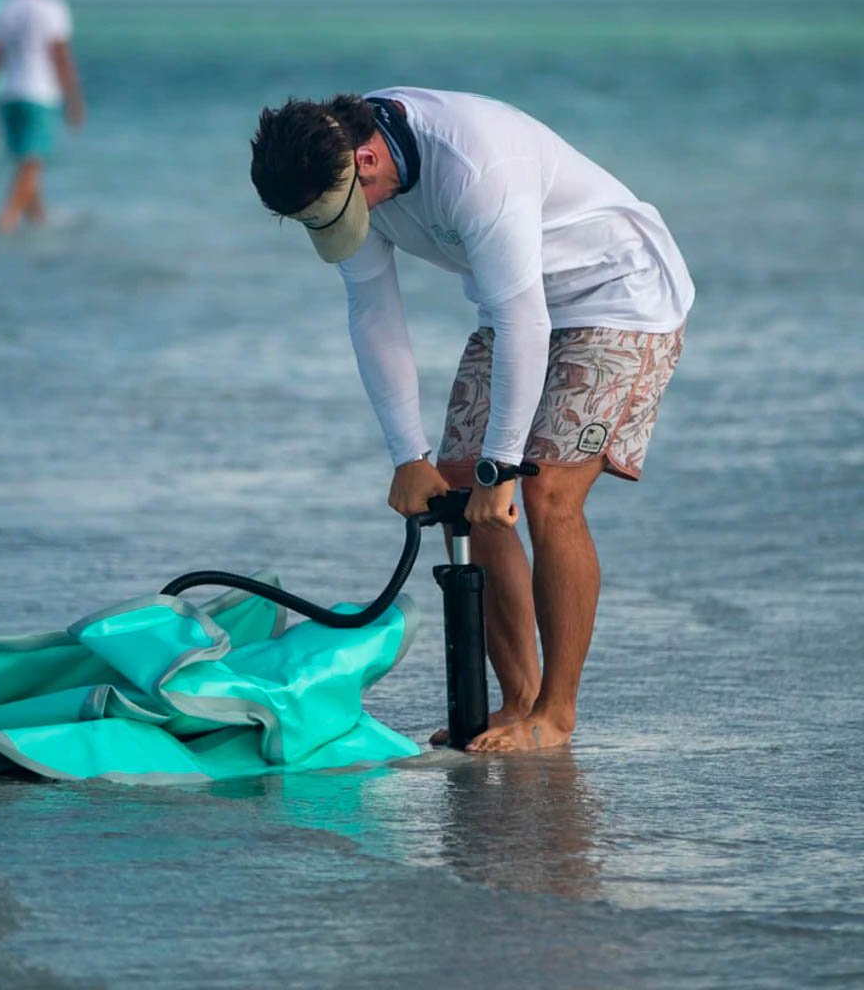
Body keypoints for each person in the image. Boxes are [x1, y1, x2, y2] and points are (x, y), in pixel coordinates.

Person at [249, 88, 694, 752]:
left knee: (541, 491)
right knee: (459, 488)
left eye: (337, 213)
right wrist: (408, 454)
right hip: (516, 304)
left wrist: (503, 466)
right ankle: (516, 705)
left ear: (365, 161)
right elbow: (373, 312)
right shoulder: (334, 170)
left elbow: (526, 322)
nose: (341, 228)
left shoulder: (477, 167)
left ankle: (556, 714)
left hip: (618, 295)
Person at [0, 0, 84, 231]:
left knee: (25, 161)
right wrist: (74, 96)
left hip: (9, 92)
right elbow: (59, 53)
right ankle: (7, 219)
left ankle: (38, 219)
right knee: (32, 162)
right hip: (40, 92)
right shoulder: (51, 7)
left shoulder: (6, 7)